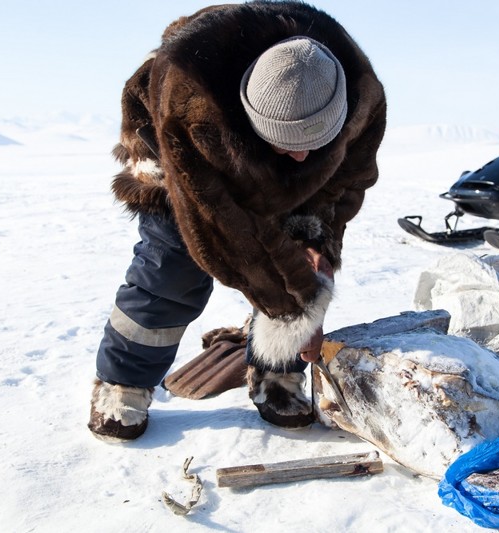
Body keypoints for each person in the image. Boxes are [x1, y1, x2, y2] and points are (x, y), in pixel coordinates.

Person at [87, 1, 386, 441]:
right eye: (287, 143)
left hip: (253, 154)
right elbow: (220, 232)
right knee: (171, 269)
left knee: (299, 264)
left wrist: (315, 255)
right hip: (170, 144)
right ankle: (122, 381)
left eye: (313, 143)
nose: (302, 156)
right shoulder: (192, 99)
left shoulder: (363, 96)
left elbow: (342, 186)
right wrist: (291, 307)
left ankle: (276, 375)